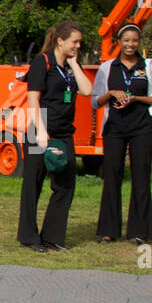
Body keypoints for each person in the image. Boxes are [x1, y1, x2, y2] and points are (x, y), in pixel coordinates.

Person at [17, 20, 93, 253]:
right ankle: (29, 236)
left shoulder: (71, 65)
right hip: (41, 130)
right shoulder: (43, 62)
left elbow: (87, 91)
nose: (77, 46)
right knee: (34, 183)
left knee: (65, 184)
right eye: (74, 42)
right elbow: (33, 98)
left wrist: (74, 64)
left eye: (79, 42)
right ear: (60, 40)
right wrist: (41, 130)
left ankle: (53, 236)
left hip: (64, 133)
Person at [92, 22, 152, 245]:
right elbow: (95, 101)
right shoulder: (107, 68)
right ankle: (108, 231)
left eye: (134, 40)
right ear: (119, 42)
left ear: (138, 42)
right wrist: (111, 94)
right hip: (114, 129)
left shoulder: (149, 65)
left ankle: (140, 231)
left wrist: (136, 98)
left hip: (142, 129)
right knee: (112, 177)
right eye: (126, 40)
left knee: (141, 178)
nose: (130, 44)